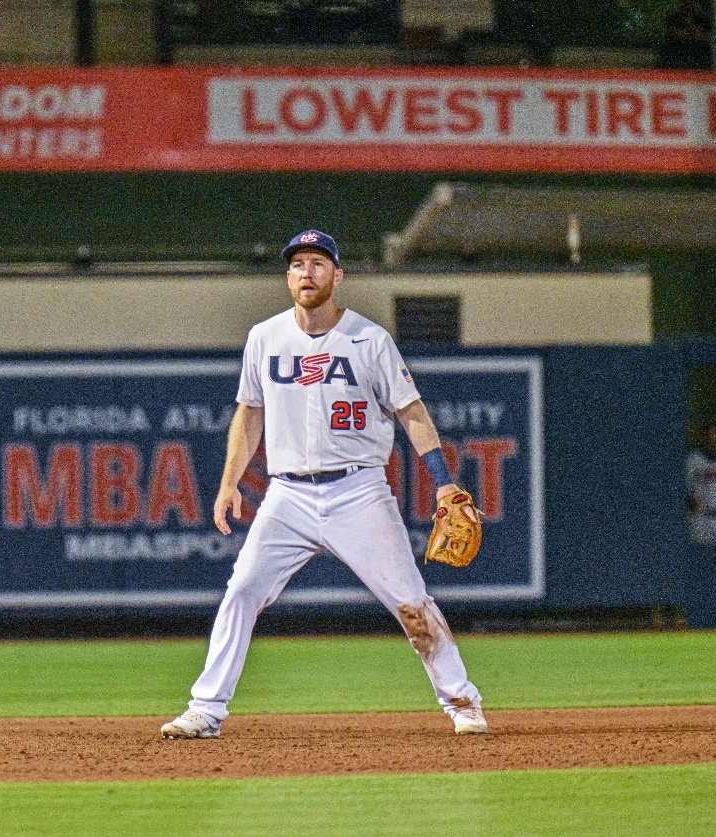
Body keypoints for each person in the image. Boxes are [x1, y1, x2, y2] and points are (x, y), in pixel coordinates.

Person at [161, 229, 487, 740]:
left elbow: (413, 413)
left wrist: (443, 483)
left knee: (410, 601)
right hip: (287, 493)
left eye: (317, 263)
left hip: (359, 491)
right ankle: (206, 709)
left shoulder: (369, 339)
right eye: (296, 264)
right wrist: (229, 484)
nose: (305, 272)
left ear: (338, 275)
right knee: (242, 589)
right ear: (287, 276)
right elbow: (249, 415)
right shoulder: (265, 338)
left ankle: (462, 701)